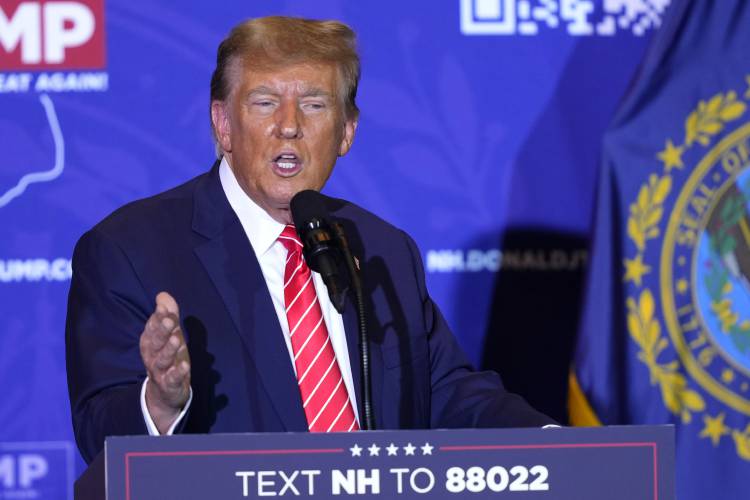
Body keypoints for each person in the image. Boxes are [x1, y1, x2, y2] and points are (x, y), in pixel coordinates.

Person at [65, 16, 554, 464]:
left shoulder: (382, 247)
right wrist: (160, 403)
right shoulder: (130, 249)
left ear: (346, 131)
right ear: (223, 123)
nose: (289, 126)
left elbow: (445, 391)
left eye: (315, 105)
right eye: (264, 102)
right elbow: (97, 431)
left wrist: (561, 446)